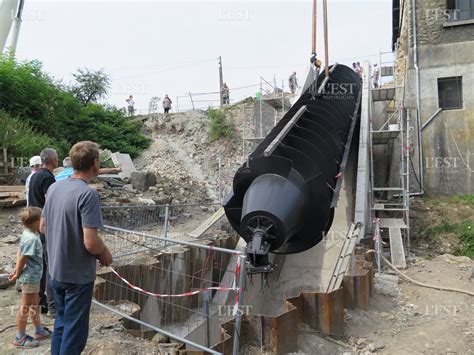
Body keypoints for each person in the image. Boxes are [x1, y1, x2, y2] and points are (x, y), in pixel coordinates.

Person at [41, 141, 112, 355]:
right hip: (77, 277)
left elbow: (43, 227)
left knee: (61, 326)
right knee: (74, 334)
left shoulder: (54, 187)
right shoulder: (87, 194)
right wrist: (105, 253)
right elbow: (91, 242)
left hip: (56, 272)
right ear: (96, 163)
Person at [9, 207, 52, 348]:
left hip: (34, 277)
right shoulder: (32, 238)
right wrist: (17, 273)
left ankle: (38, 330)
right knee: (25, 307)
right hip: (30, 278)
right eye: (43, 221)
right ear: (38, 221)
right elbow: (23, 258)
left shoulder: (28, 233)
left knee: (35, 302)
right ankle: (20, 336)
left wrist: (16, 270)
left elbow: (20, 252)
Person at [28, 148, 58, 317]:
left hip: (34, 223)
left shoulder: (35, 175)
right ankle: (52, 305)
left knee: (40, 264)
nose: (58, 160)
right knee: (49, 265)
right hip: (44, 226)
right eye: (57, 158)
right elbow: (50, 201)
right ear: (51, 160)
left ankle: (39, 301)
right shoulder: (47, 177)